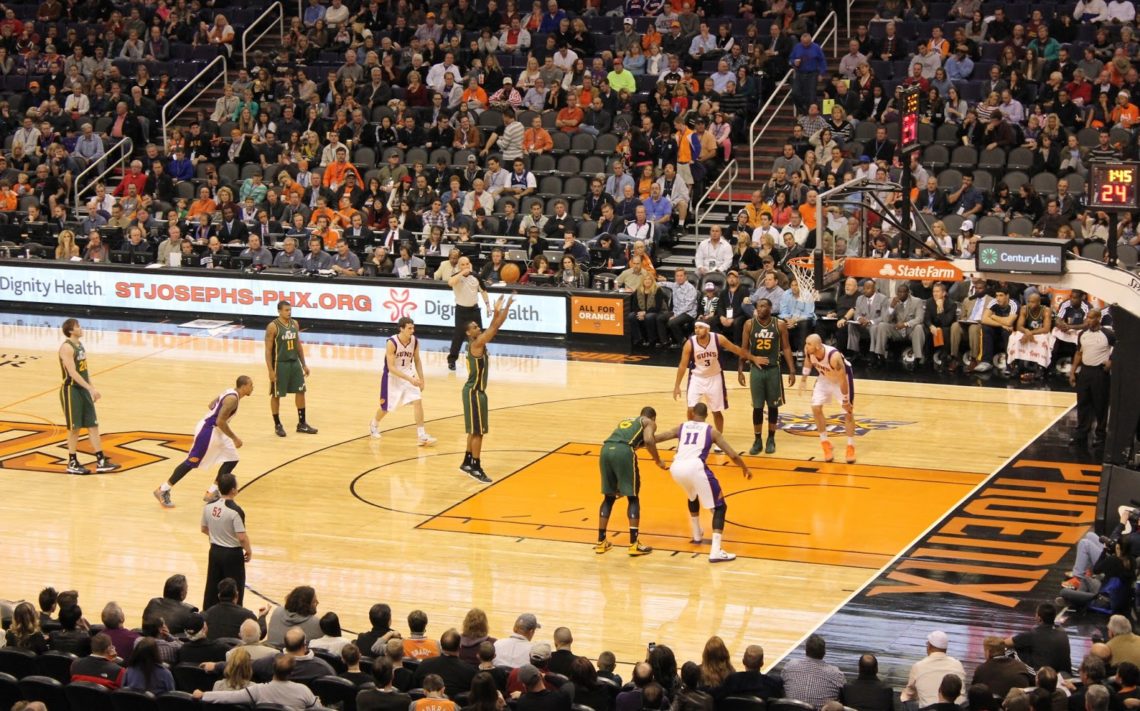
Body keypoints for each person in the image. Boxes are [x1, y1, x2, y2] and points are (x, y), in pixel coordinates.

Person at [653, 403, 753, 562]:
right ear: (707, 415)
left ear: (692, 413)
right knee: (720, 507)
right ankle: (715, 551)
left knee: (692, 495)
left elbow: (658, 437)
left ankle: (697, 533)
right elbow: (732, 455)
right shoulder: (712, 431)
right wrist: (745, 468)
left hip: (676, 468)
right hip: (695, 467)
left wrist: (638, 441)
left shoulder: (682, 427)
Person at [153, 375, 253, 509]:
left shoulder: (229, 392)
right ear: (244, 386)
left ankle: (212, 492)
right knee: (191, 462)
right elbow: (219, 421)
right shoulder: (232, 399)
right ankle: (163, 489)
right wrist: (235, 438)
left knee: (232, 459)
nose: (253, 388)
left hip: (217, 430)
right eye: (251, 385)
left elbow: (211, 404)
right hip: (208, 431)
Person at [596, 407, 667, 557]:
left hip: (606, 449)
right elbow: (648, 440)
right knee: (633, 497)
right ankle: (634, 544)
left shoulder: (628, 420)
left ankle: (601, 542)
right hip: (624, 451)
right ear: (653, 418)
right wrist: (657, 460)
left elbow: (640, 441)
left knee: (609, 497)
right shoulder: (649, 422)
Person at [460, 294, 516, 483]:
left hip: (474, 392)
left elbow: (494, 326)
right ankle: (476, 466)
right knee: (478, 432)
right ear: (469, 333)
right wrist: (502, 309)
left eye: (477, 325)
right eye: (474, 327)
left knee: (474, 430)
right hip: (474, 392)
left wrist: (502, 308)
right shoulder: (476, 344)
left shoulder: (477, 342)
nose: (478, 328)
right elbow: (494, 327)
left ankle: (467, 461)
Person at [58, 318, 120, 474]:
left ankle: (101, 461)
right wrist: (89, 388)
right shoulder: (67, 347)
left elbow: (84, 371)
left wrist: (91, 387)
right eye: (78, 326)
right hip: (71, 390)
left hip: (83, 389)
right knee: (74, 428)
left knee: (93, 425)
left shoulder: (80, 345)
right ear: (71, 331)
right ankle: (72, 462)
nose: (81, 328)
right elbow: (72, 373)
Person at [673, 320, 756, 434]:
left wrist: (754, 358)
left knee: (716, 411)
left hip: (715, 377)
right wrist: (677, 386)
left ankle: (718, 437)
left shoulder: (718, 338)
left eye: (700, 327)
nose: (697, 330)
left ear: (707, 329)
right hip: (697, 378)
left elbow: (736, 349)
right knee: (691, 409)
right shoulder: (689, 343)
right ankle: (693, 434)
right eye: (696, 328)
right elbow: (682, 365)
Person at [738, 298, 796, 456]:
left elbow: (786, 347)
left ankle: (771, 438)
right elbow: (744, 349)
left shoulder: (780, 324)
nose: (761, 308)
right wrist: (740, 369)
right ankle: (757, 439)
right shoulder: (749, 324)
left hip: (773, 369)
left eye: (764, 306)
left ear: (771, 308)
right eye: (759, 306)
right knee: (757, 406)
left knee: (773, 406)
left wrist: (792, 370)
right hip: (756, 370)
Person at [369, 318, 437, 446]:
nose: (412, 330)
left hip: (408, 374)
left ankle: (422, 435)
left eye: (413, 328)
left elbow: (417, 360)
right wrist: (410, 379)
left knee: (418, 401)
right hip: (392, 377)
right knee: (386, 407)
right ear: (401, 329)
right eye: (409, 328)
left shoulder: (415, 341)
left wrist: (421, 379)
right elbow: (391, 367)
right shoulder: (392, 342)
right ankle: (374, 424)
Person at [801, 334, 857, 464]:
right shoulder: (809, 350)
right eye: (806, 343)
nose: (806, 346)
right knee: (815, 408)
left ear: (818, 346)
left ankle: (850, 446)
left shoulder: (834, 357)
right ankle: (825, 443)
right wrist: (804, 379)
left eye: (809, 344)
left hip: (842, 380)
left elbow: (843, 380)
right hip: (825, 378)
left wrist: (845, 400)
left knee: (848, 413)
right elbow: (808, 361)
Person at [200, 472, 252, 611]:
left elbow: (204, 529)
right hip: (232, 554)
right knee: (235, 588)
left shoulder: (208, 506)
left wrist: (217, 535)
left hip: (215, 551)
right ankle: (234, 616)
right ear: (234, 490)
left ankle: (208, 617)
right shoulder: (235, 510)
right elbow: (241, 537)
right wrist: (248, 550)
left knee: (212, 586)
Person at [265, 300, 318, 437]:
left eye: (290, 310)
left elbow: (298, 345)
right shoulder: (272, 327)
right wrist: (270, 371)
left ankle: (302, 423)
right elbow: (267, 351)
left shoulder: (295, 323)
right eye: (286, 310)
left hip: (294, 363)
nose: (289, 312)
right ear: (279, 311)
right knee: (276, 395)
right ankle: (277, 424)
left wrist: (304, 364)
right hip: (279, 364)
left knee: (301, 391)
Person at [1069, 308, 1112, 449]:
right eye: (1087, 317)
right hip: (1085, 372)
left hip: (1100, 372)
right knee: (1083, 403)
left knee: (1100, 405)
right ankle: (1081, 434)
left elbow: (1119, 348)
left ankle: (1100, 436)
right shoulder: (1082, 334)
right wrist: (1072, 371)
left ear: (1099, 318)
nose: (1088, 320)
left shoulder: (1108, 334)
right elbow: (1078, 353)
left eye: (1091, 317)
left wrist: (1111, 361)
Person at [447, 256, 493, 371]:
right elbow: (450, 283)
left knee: (479, 335)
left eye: (467, 264)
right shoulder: (455, 277)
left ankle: (481, 357)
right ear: (459, 266)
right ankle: (452, 360)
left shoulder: (476, 276)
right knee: (458, 336)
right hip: (461, 311)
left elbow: (483, 291)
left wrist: (488, 306)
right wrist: (461, 273)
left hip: (474, 311)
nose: (466, 266)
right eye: (463, 264)